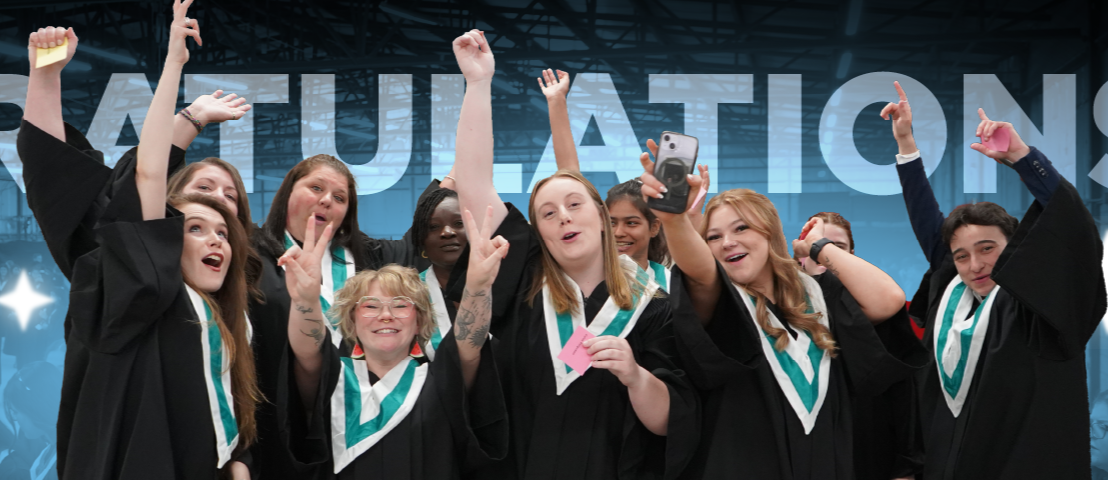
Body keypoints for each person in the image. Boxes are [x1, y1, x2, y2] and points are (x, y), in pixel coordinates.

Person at [457, 32, 696, 479]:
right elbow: (472, 186)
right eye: (548, 214)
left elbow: (670, 422)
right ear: (539, 232)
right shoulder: (524, 278)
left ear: (602, 217)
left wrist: (635, 374)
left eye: (574, 205)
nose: (563, 217)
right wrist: (477, 83)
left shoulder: (653, 305)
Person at [58, 2, 260, 478]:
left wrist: (237, 462)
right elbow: (149, 172)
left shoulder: (231, 315)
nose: (216, 240)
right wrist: (174, 65)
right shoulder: (147, 292)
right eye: (195, 228)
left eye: (223, 232)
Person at [638, 149, 926, 478]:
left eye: (741, 228)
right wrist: (674, 220)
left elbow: (888, 299)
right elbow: (700, 273)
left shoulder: (816, 296)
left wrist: (818, 247)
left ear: (769, 232)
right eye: (713, 237)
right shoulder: (724, 304)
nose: (727, 242)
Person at [884, 80, 1106, 479]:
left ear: (1017, 245)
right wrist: (906, 143)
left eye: (988, 248)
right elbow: (926, 219)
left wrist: (1021, 157)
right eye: (962, 256)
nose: (975, 265)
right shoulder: (951, 295)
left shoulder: (1038, 304)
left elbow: (1072, 227)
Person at [277, 203, 509, 478]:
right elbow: (307, 352)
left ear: (419, 321)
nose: (386, 315)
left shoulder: (441, 382)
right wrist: (305, 299)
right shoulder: (335, 382)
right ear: (352, 322)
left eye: (400, 305)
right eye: (370, 306)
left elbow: (469, 342)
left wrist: (478, 286)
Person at [19, 25, 252, 282]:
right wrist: (45, 76)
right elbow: (56, 172)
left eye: (230, 195)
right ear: (170, 200)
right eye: (204, 187)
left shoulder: (254, 274)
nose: (217, 197)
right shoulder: (126, 271)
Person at [536, 68, 710, 291]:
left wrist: (690, 214)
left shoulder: (670, 283)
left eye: (632, 222)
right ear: (600, 222)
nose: (619, 232)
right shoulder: (587, 269)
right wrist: (557, 101)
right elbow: (569, 173)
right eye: (611, 222)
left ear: (654, 227)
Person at [795, 211, 924, 480]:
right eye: (815, 248)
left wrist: (906, 469)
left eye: (835, 248)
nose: (823, 257)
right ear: (800, 256)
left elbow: (903, 399)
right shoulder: (779, 311)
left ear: (852, 256)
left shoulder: (875, 313)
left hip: (868, 454)